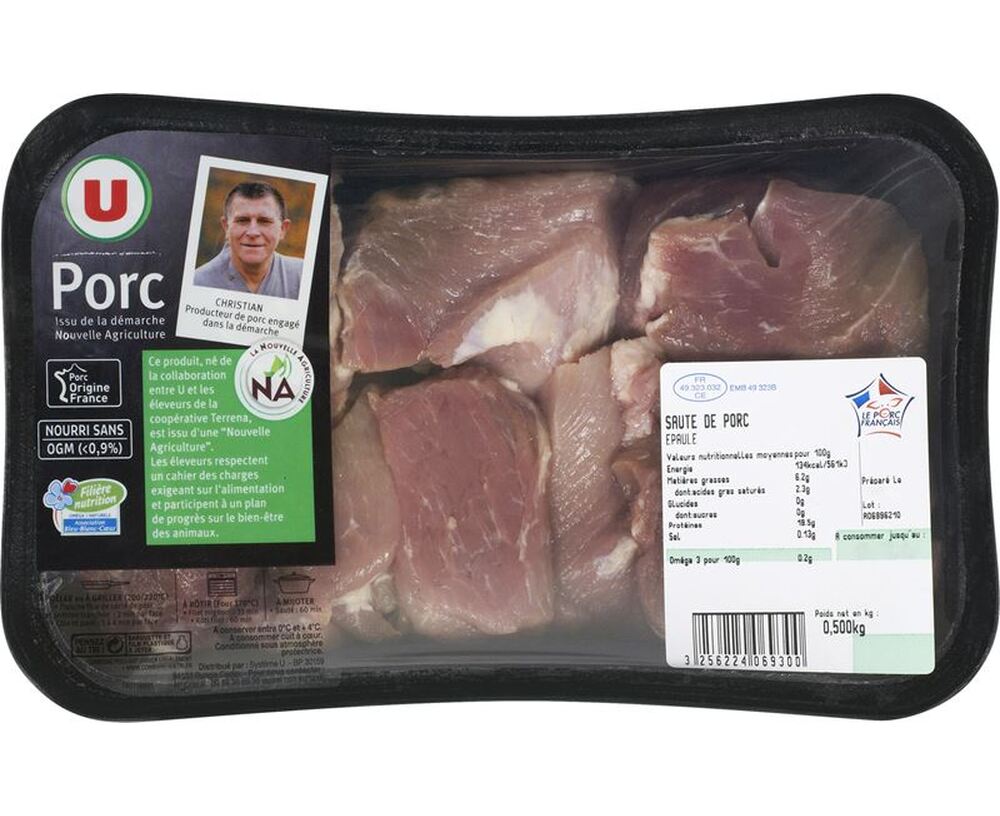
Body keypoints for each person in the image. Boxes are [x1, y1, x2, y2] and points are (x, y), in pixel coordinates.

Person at [194, 181, 303, 299]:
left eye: (264, 221)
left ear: (282, 229)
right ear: (226, 227)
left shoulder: (303, 278)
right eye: (242, 220)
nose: (253, 232)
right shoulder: (197, 283)